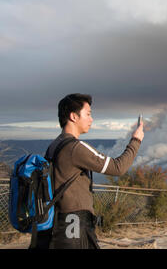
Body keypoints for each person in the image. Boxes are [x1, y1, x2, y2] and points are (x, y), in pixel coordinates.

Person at [36, 93, 144, 249]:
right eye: (88, 114)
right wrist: (136, 140)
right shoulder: (75, 147)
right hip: (75, 226)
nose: (91, 119)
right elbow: (118, 167)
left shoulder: (55, 145)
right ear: (73, 116)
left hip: (57, 223)